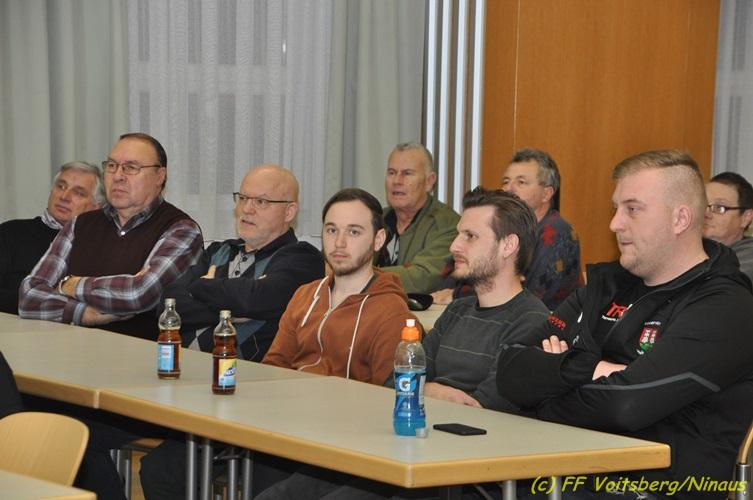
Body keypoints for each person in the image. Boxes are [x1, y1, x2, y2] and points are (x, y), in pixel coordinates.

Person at [254, 187, 551, 500]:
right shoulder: (457, 311)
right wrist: (428, 390)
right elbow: (396, 382)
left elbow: (478, 411)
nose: (454, 245)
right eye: (458, 234)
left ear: (508, 246)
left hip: (456, 468)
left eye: (470, 236)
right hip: (408, 445)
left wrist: (421, 389)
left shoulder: (531, 321)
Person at [497, 150, 753, 499]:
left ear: (680, 219)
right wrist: (592, 369)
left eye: (632, 209)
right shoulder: (605, 287)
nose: (614, 224)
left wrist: (545, 395)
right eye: (616, 208)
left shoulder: (726, 306)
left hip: (658, 486)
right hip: (574, 468)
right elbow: (510, 367)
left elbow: (625, 406)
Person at [139, 187, 416, 500]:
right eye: (331, 230)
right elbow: (274, 368)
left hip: (341, 441)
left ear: (378, 240)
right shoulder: (306, 295)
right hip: (285, 425)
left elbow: (388, 400)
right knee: (161, 470)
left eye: (354, 232)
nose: (339, 243)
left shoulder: (390, 312)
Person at [18, 132, 203, 339]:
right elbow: (28, 297)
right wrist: (81, 313)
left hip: (142, 355)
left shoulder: (181, 229)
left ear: (159, 176)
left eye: (131, 168)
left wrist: (68, 285)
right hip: (70, 350)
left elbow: (138, 294)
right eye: (112, 166)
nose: (117, 176)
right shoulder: (80, 224)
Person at [160, 164, 325, 361]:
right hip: (178, 364)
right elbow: (167, 306)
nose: (246, 209)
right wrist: (232, 311)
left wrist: (201, 286)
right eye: (243, 198)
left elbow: (254, 300)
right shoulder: (220, 251)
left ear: (289, 212)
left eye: (261, 201)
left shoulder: (302, 258)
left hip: (244, 374)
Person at [433, 148, 582, 311]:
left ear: (546, 194)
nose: (509, 189)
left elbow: (530, 294)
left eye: (521, 182)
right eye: (505, 181)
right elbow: (452, 276)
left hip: (541, 323)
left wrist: (457, 295)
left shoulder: (556, 232)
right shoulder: (500, 225)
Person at [0, 161, 103, 314]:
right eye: (61, 186)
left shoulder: (100, 247)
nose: (64, 196)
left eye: (78, 193)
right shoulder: (10, 232)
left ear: (96, 207)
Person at [377, 142, 460, 294]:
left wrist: (360, 276)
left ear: (429, 181)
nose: (397, 181)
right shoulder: (375, 219)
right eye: (392, 173)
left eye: (407, 173)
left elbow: (423, 277)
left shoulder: (448, 224)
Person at [703, 171, 753, 282]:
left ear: (746, 218)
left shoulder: (748, 258)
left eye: (719, 207)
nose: (706, 214)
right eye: (702, 204)